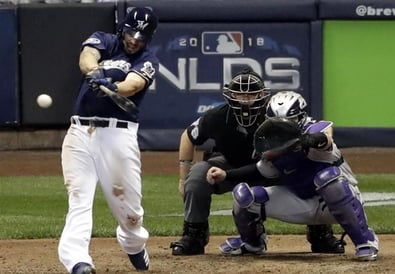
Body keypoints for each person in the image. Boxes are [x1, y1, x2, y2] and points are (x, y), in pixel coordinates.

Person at [170, 71, 344, 256]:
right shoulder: (217, 116)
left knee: (309, 169)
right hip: (231, 164)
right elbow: (188, 137)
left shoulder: (273, 112)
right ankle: (194, 235)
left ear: (262, 95)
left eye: (252, 94)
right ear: (231, 95)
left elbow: (318, 126)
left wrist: (323, 138)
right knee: (197, 176)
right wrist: (183, 178)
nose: (246, 100)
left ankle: (321, 234)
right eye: (240, 94)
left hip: (274, 167)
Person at [208, 91, 379, 261]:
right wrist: (226, 174)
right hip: (301, 202)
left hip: (340, 201)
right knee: (243, 195)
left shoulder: (315, 130)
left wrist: (306, 141)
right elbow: (258, 171)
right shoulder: (272, 145)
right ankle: (252, 243)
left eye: (287, 123)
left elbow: (325, 139)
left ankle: (365, 240)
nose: (281, 129)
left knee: (328, 178)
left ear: (301, 118)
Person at [57, 7, 159, 274]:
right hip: (80, 132)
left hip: (118, 136)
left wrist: (112, 86)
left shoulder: (148, 60)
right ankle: (77, 261)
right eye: (131, 33)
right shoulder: (105, 40)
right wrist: (94, 73)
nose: (134, 40)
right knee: (79, 197)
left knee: (130, 213)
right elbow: (87, 57)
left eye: (141, 36)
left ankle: (134, 244)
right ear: (122, 28)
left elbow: (133, 85)